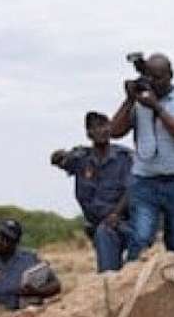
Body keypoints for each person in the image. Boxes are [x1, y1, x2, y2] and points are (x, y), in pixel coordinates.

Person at [109, 53, 174, 255]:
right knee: (140, 239)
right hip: (144, 181)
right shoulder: (139, 103)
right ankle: (133, 284)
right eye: (150, 77)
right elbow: (114, 131)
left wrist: (157, 107)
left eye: (158, 78)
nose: (154, 83)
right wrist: (129, 100)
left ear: (170, 75)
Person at [51, 112, 134, 272]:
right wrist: (60, 156)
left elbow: (131, 190)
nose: (102, 131)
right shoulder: (81, 158)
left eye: (105, 125)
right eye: (96, 127)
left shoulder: (124, 158)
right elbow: (57, 160)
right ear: (89, 133)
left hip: (124, 221)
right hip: (97, 225)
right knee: (104, 240)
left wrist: (116, 214)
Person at [0, 220, 59, 312]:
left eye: (6, 239)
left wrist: (38, 292)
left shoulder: (30, 258)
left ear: (16, 243)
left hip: (29, 315)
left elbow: (56, 285)